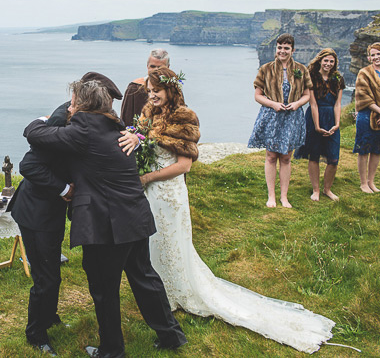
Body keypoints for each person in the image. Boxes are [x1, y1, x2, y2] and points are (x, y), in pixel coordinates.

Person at [139, 67, 335, 354]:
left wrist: (146, 178)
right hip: (150, 192)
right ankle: (162, 293)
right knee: (154, 243)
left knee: (172, 242)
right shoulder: (146, 114)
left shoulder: (184, 117)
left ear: (171, 89)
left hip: (168, 192)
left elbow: (184, 165)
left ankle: (179, 291)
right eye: (149, 90)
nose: (152, 94)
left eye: (156, 89)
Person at [24, 76, 187, 358]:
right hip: (134, 215)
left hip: (106, 224)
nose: (69, 106)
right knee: (144, 277)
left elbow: (34, 133)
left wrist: (43, 118)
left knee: (104, 290)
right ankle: (171, 335)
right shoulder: (116, 126)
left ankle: (112, 350)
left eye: (73, 101)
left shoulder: (82, 130)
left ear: (80, 104)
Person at [8, 72, 123, 356]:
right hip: (36, 210)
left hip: (52, 210)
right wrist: (63, 190)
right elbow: (29, 166)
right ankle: (36, 334)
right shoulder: (62, 119)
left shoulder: (84, 116)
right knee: (45, 277)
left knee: (52, 272)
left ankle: (50, 318)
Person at [248, 33, 312, 208]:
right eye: (280, 47)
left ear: (293, 50)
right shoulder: (265, 69)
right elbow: (257, 96)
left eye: (286, 48)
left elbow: (307, 95)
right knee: (270, 156)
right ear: (276, 48)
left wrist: (297, 103)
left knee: (286, 157)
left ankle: (284, 196)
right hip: (271, 116)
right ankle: (271, 196)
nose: (282, 51)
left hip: (292, 117)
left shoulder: (301, 69)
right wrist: (273, 104)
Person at [295, 48, 345, 201]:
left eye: (331, 61)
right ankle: (316, 190)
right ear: (320, 61)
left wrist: (337, 124)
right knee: (314, 155)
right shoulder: (312, 77)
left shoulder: (338, 79)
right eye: (326, 61)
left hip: (331, 116)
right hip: (314, 117)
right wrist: (317, 126)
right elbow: (313, 104)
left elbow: (338, 104)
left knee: (333, 158)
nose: (328, 64)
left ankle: (327, 189)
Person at [353, 42, 380, 193]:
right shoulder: (364, 73)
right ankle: (363, 183)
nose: (376, 57)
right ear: (369, 57)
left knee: (377, 150)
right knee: (364, 149)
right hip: (366, 115)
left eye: (378, 54)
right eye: (373, 54)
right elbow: (363, 96)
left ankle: (371, 181)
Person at [120, 48, 170, 126]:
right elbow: (126, 117)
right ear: (147, 66)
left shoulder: (173, 88)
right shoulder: (135, 87)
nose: (156, 70)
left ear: (168, 67)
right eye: (152, 66)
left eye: (160, 67)